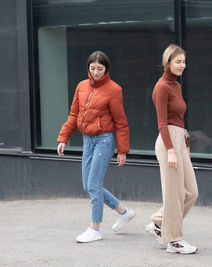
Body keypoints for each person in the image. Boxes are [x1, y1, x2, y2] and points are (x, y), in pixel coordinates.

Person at [57, 51, 135, 243]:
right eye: (92, 68)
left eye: (100, 69)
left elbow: (121, 122)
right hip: (87, 140)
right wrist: (63, 138)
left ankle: (95, 229)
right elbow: (74, 115)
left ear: (106, 69)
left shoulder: (114, 89)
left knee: (93, 185)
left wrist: (122, 151)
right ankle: (123, 212)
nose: (96, 72)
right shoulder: (82, 86)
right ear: (88, 68)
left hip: (104, 141)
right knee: (89, 185)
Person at [145, 44, 199, 254]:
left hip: (179, 139)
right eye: (178, 62)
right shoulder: (162, 87)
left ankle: (159, 224)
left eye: (184, 62)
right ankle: (174, 241)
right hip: (168, 140)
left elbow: (179, 119)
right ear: (167, 62)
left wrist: (183, 147)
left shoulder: (175, 85)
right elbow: (162, 123)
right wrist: (170, 150)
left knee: (191, 192)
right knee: (174, 194)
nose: (182, 65)